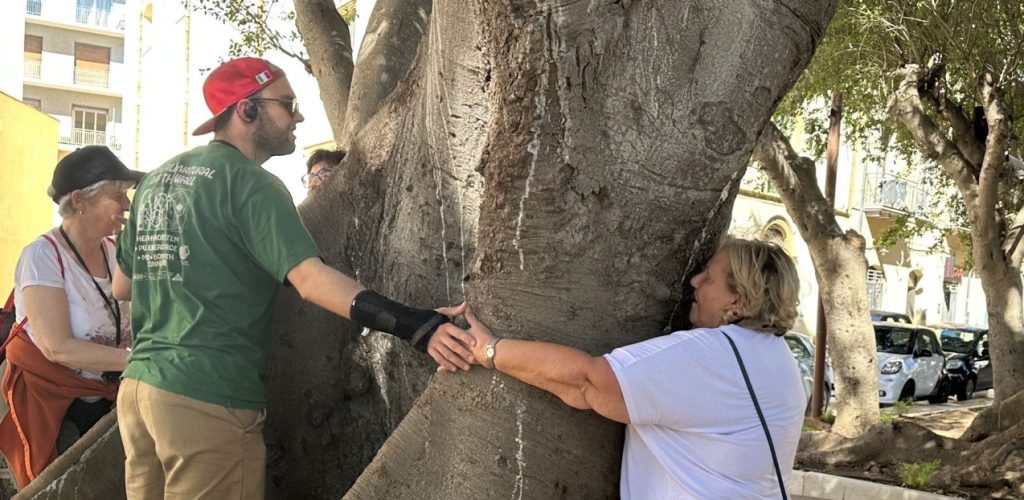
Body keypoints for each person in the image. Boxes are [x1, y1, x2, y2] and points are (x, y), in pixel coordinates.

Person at [112, 57, 475, 500]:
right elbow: (311, 281)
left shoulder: (156, 183)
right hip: (207, 395)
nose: (298, 117)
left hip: (139, 392)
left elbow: (122, 286)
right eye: (287, 104)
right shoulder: (253, 183)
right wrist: (415, 325)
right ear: (247, 110)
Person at [460, 238, 806, 499]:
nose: (695, 282)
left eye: (710, 277)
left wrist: (490, 350)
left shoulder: (711, 354)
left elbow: (588, 383)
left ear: (738, 300)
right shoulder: (779, 360)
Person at [0, 145, 140, 488]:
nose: (126, 205)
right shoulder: (42, 256)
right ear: (80, 201)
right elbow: (57, 347)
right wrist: (142, 359)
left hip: (108, 393)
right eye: (117, 195)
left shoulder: (115, 252)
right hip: (53, 400)